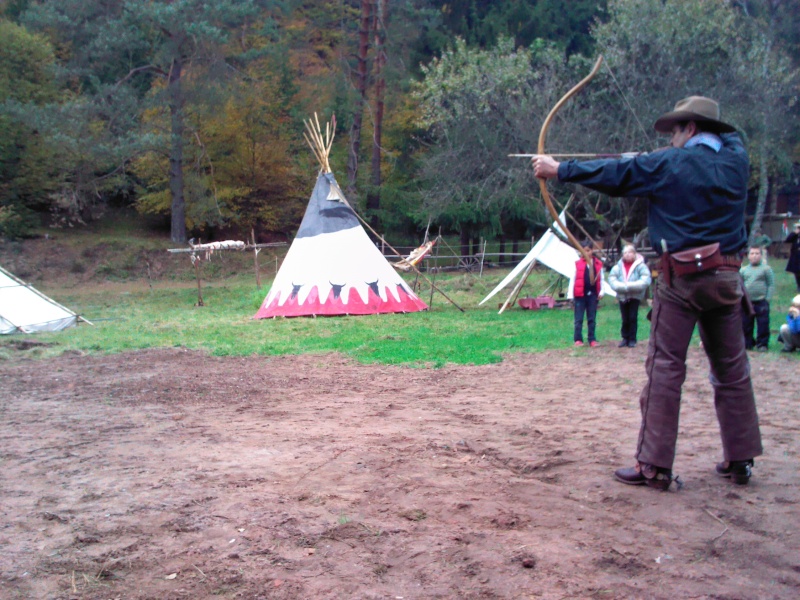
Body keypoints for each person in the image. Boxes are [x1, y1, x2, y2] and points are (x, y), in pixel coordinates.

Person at [532, 96, 762, 489]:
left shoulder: (668, 163)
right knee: (732, 369)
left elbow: (618, 173)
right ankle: (740, 459)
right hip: (727, 278)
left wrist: (558, 170)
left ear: (690, 129)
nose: (670, 139)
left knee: (665, 369)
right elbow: (729, 139)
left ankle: (654, 466)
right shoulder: (736, 159)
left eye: (675, 131)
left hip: (683, 281)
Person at [608, 243, 652, 348]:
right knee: (625, 318)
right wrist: (622, 287)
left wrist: (630, 286)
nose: (627, 255)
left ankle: (632, 339)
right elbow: (612, 279)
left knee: (632, 317)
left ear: (634, 254)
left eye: (630, 252)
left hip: (635, 296)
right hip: (622, 296)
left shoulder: (641, 266)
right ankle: (625, 338)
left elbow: (645, 279)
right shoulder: (618, 266)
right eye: (625, 253)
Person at [568, 240, 604, 347]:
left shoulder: (597, 264)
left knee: (591, 318)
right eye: (583, 251)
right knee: (578, 319)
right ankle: (578, 339)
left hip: (592, 295)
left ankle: (592, 339)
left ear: (592, 251)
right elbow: (573, 279)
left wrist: (602, 291)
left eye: (588, 250)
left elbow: (601, 279)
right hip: (580, 295)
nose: (586, 253)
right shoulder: (577, 264)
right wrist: (570, 295)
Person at [740, 246, 775, 352]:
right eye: (752, 253)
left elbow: (770, 284)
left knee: (763, 324)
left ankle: (762, 344)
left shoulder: (766, 269)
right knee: (746, 324)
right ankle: (747, 343)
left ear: (761, 255)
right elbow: (740, 285)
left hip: (761, 301)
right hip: (747, 302)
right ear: (748, 256)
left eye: (757, 253)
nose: (754, 256)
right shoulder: (744, 270)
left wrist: (767, 299)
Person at [785, 221, 800, 292]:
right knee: (797, 272)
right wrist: (794, 233)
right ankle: (799, 286)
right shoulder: (795, 235)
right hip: (796, 256)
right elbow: (787, 240)